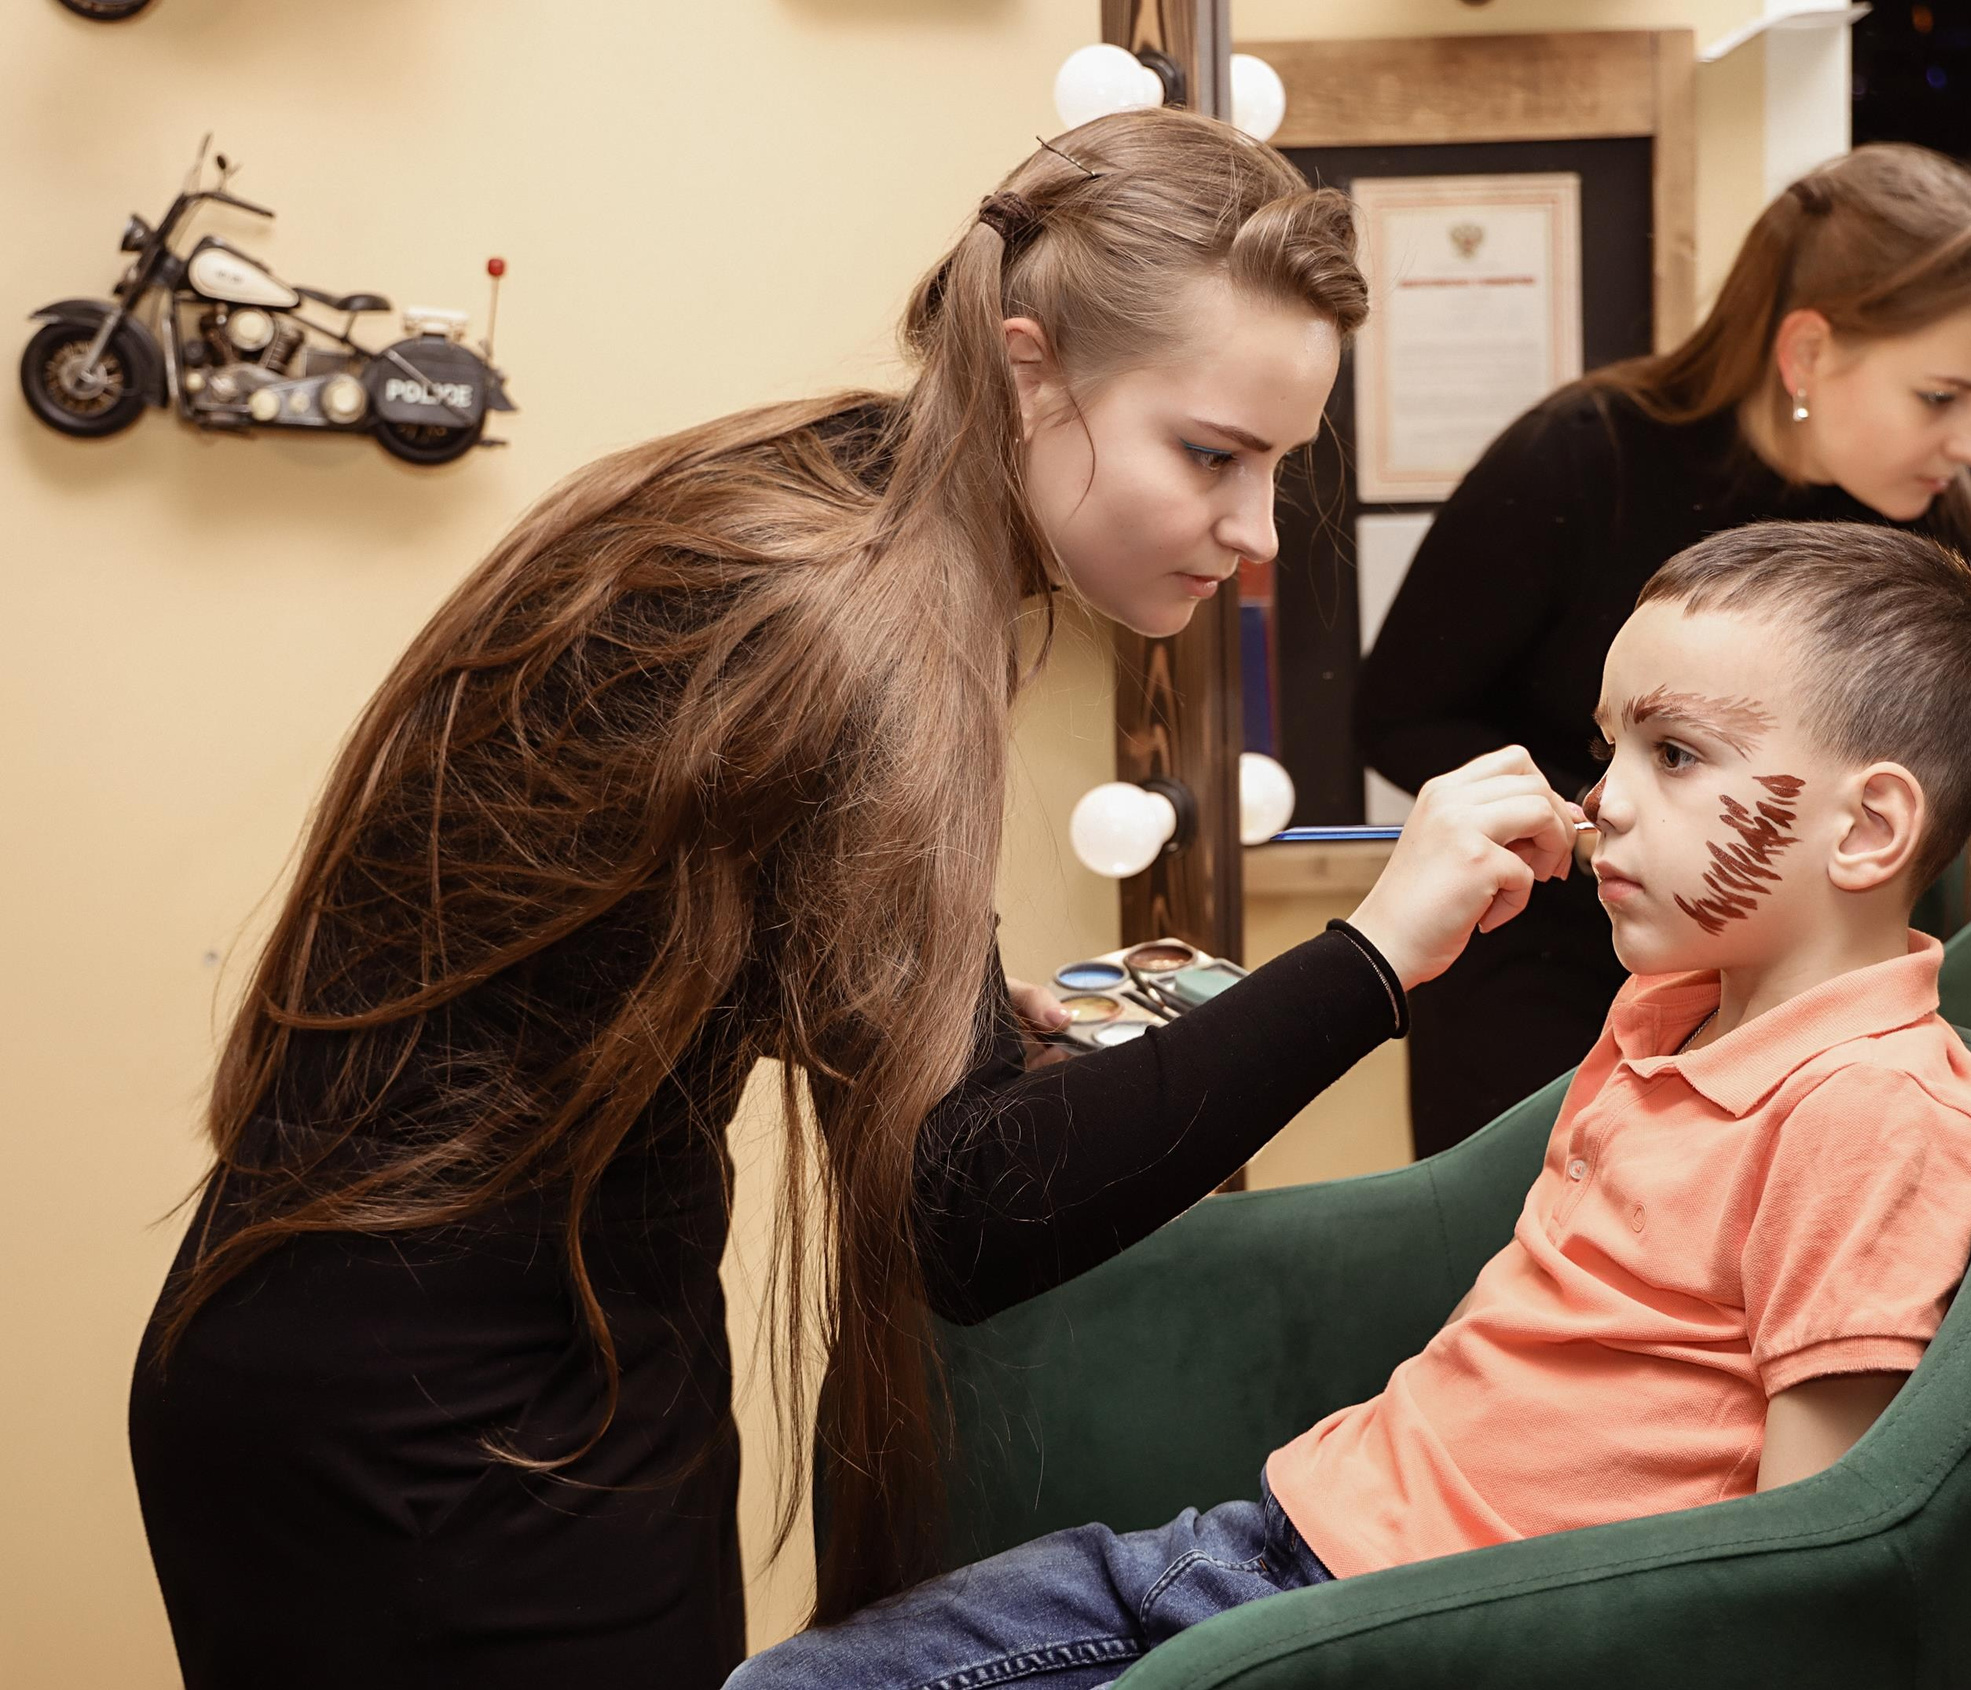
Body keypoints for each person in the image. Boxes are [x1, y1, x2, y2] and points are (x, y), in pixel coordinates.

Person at [126, 110, 1583, 1690]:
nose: (1249, 534)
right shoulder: (848, 620)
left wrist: (941, 1019)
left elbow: (670, 957)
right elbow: (964, 1210)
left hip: (423, 1344)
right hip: (434, 1426)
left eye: (1279, 468)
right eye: (1209, 454)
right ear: (1031, 370)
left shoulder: (819, 493)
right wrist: (1375, 958)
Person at [725, 519, 1971, 1690]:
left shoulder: (1877, 1108)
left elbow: (1805, 1553)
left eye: (1675, 752)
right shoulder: (1666, 1015)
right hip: (1281, 1539)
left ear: (1866, 831)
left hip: (1411, 1633)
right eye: (1607, 746)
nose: (1602, 799)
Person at [1357, 144, 1971, 1158]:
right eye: (1941, 398)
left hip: (1806, 1032)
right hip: (1548, 992)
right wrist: (1614, 829)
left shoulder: (1930, 527)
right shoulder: (1582, 458)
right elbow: (1401, 712)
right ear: (1805, 354)